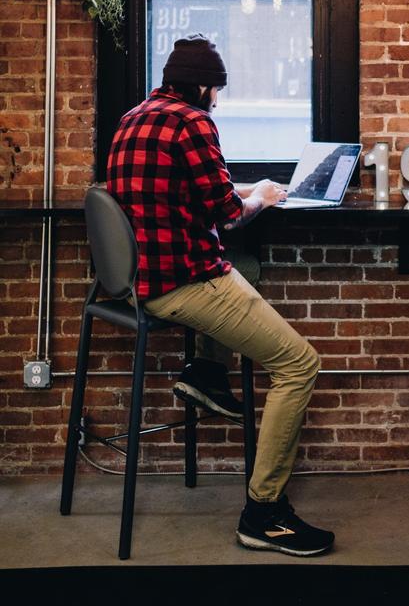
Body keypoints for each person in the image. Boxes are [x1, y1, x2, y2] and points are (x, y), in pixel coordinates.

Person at [106, 33, 334, 557]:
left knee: (245, 266)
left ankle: (208, 373)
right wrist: (260, 196)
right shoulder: (194, 123)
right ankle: (264, 513)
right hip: (181, 283)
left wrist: (246, 191)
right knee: (299, 364)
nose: (218, 100)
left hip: (133, 282)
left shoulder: (132, 117)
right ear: (206, 86)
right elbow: (229, 215)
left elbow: (188, 195)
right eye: (217, 90)